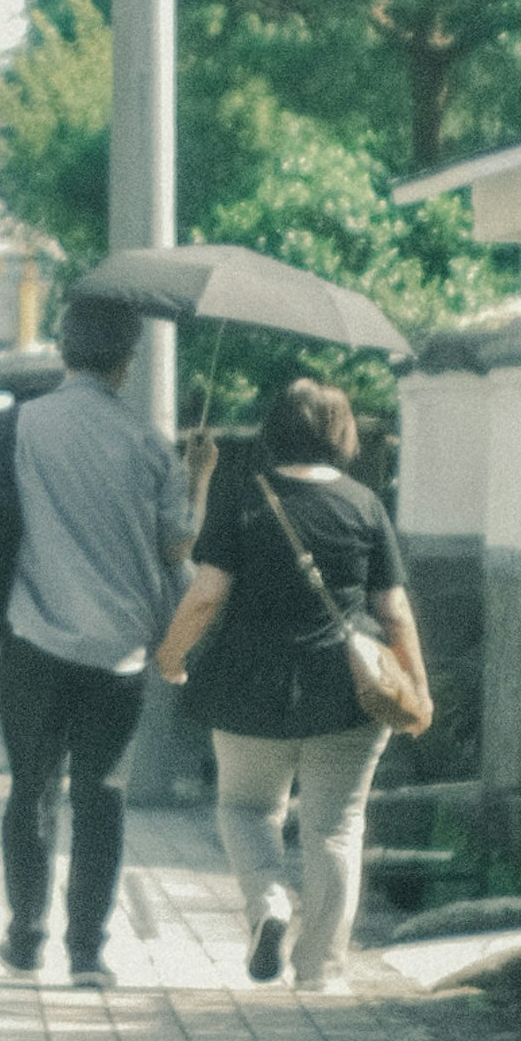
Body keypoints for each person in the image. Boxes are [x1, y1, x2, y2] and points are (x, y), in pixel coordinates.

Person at [0, 293, 199, 986]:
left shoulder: (12, 427)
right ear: (129, 360)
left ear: (63, 349)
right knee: (100, 793)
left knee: (31, 787)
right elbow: (178, 551)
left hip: (32, 643)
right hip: (121, 652)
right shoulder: (150, 446)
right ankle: (88, 952)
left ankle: (25, 935)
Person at [159, 375, 425, 994]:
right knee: (336, 826)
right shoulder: (365, 504)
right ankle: (321, 972)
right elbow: (395, 611)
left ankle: (268, 906)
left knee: (245, 808)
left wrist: (171, 657)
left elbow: (206, 595)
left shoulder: (243, 497)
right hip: (347, 687)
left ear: (272, 430)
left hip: (249, 684)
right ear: (342, 433)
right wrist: (420, 688)